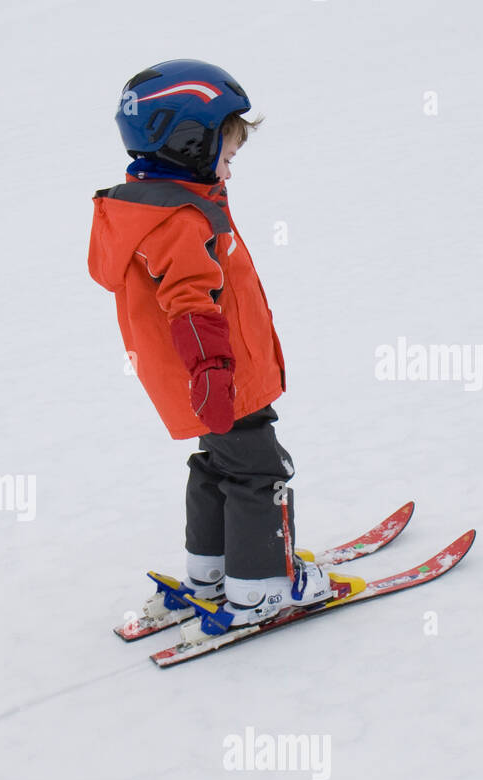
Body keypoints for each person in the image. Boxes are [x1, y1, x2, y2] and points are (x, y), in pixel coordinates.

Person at [87, 59, 332, 628]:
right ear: (188, 144)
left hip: (202, 379)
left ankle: (212, 573)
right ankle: (262, 588)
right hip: (221, 374)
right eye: (226, 153)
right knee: (258, 472)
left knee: (215, 465)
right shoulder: (179, 221)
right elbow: (192, 306)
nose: (230, 168)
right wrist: (215, 372)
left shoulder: (146, 209)